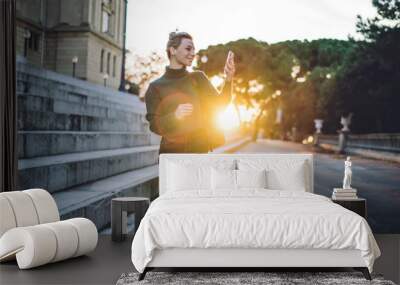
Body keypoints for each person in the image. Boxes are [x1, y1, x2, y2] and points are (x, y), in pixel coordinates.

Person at [144, 31, 235, 155]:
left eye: (193, 50)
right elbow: (154, 125)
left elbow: (220, 104)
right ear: (173, 50)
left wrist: (228, 79)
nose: (193, 54)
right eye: (188, 49)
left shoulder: (198, 78)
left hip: (199, 154)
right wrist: (175, 116)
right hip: (171, 156)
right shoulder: (155, 87)